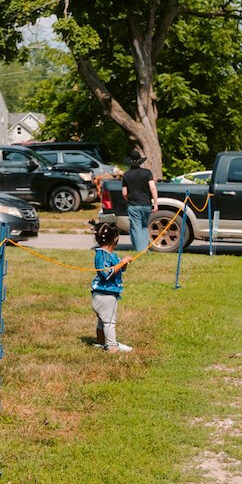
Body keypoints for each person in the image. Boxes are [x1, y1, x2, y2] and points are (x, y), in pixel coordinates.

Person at [90, 221, 133, 352]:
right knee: (109, 322)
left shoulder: (108, 255)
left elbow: (115, 269)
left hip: (102, 295)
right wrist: (122, 263)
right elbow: (106, 274)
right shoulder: (102, 255)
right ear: (116, 239)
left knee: (102, 321)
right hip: (106, 295)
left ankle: (101, 343)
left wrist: (122, 264)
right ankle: (112, 346)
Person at [122, 150, 159, 252]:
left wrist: (128, 200)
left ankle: (140, 250)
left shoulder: (126, 175)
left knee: (136, 228)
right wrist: (155, 203)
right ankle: (144, 249)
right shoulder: (147, 173)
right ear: (140, 161)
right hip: (146, 204)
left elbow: (124, 193)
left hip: (133, 205)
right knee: (144, 227)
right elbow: (152, 187)